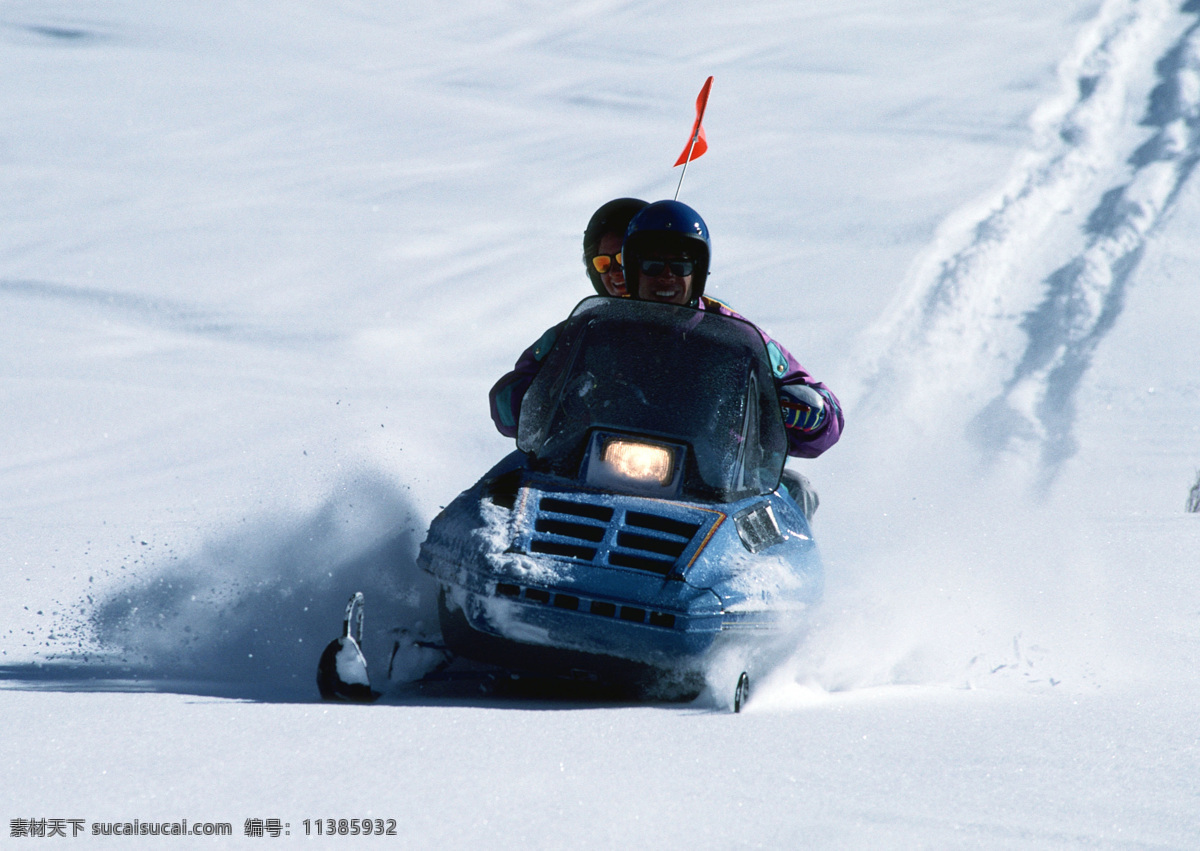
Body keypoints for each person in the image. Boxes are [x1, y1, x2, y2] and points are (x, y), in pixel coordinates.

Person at [489, 200, 842, 515]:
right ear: (633, 269)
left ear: (699, 271)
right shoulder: (587, 331)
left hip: (715, 486)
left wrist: (810, 414)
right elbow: (513, 396)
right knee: (503, 480)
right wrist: (532, 400)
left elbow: (818, 406)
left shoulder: (736, 338)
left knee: (784, 503)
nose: (666, 277)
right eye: (653, 265)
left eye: (680, 267)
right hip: (584, 470)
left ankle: (769, 581)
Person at [583, 198, 649, 297]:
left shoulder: (676, 311)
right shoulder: (595, 312)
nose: (614, 272)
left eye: (623, 259)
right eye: (603, 263)